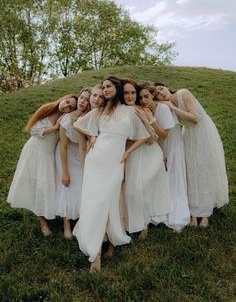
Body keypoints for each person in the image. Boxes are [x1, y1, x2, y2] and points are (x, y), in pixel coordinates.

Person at [73, 76, 149, 271]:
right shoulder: (99, 111)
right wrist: (92, 135)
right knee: (95, 202)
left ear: (116, 88)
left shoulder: (129, 111)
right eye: (103, 87)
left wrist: (127, 152)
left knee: (108, 201)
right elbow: (77, 123)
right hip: (96, 160)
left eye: (108, 87)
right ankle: (96, 253)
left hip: (115, 162)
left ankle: (109, 242)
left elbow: (143, 135)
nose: (105, 90)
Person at [155, 84, 229, 227]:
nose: (160, 93)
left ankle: (205, 213)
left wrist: (173, 107)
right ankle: (194, 211)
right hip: (188, 133)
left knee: (205, 169)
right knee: (191, 170)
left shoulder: (183, 93)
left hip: (203, 131)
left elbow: (194, 118)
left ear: (167, 87)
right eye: (157, 93)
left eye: (161, 88)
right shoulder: (165, 106)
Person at [7, 95, 78, 236]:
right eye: (67, 102)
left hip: (47, 155)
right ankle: (43, 223)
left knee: (44, 186)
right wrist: (54, 128)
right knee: (34, 185)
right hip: (34, 151)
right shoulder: (47, 109)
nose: (66, 106)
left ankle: (47, 213)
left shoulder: (66, 119)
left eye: (70, 107)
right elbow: (34, 131)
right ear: (64, 98)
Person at [122, 79, 172, 238]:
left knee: (141, 187)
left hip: (149, 151)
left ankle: (144, 224)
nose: (141, 100)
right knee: (131, 191)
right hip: (133, 153)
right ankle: (135, 220)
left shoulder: (143, 111)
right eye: (126, 93)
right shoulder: (123, 110)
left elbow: (153, 138)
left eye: (133, 93)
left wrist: (146, 120)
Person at [138, 81, 190, 232]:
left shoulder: (163, 109)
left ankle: (176, 214)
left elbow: (164, 135)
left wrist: (151, 120)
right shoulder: (145, 110)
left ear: (153, 95)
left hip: (173, 145)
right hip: (159, 147)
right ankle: (161, 210)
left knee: (175, 177)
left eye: (146, 96)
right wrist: (161, 155)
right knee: (162, 178)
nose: (143, 101)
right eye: (140, 98)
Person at [55, 89, 91, 239]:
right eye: (81, 97)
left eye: (87, 100)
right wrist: (65, 171)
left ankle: (82, 220)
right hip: (66, 155)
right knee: (67, 187)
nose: (83, 101)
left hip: (82, 156)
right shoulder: (66, 118)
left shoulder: (90, 118)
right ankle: (66, 224)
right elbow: (63, 146)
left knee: (82, 187)